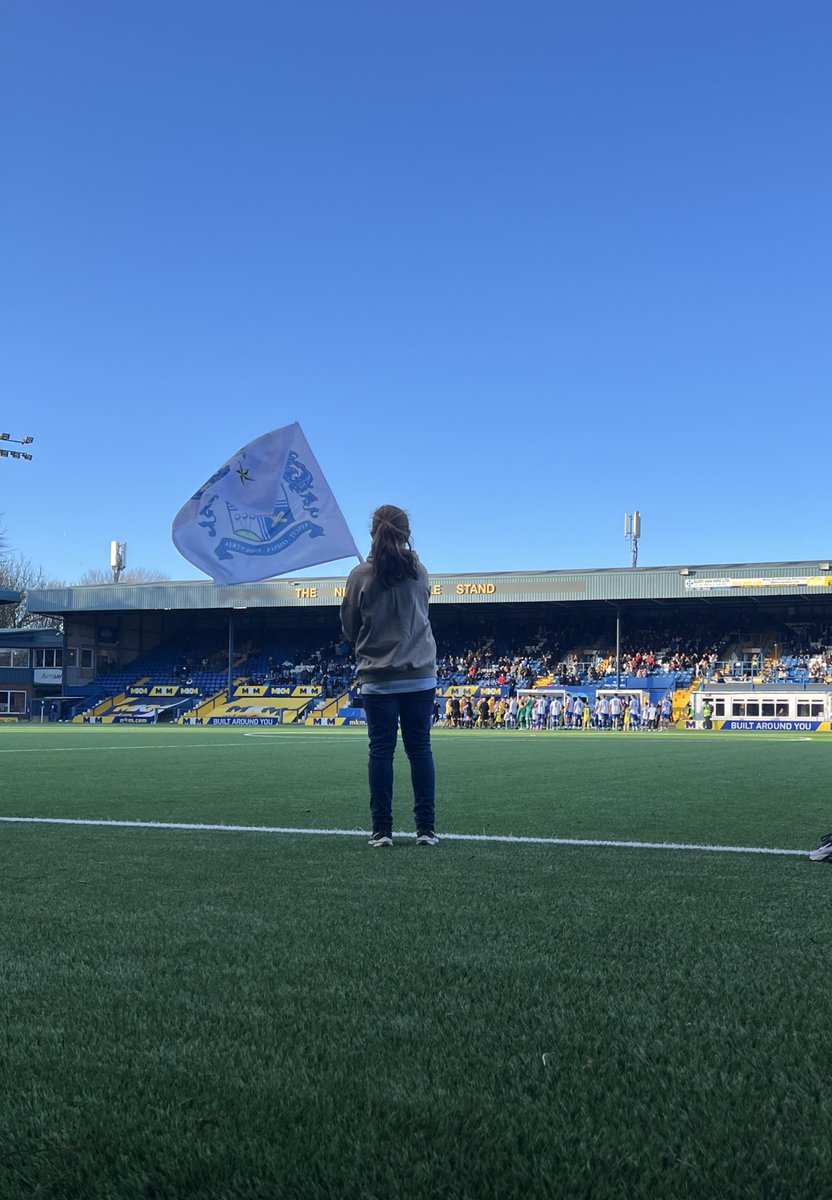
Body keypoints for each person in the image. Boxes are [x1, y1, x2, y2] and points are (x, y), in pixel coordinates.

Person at [340, 505, 438, 849]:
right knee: (419, 750)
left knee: (381, 751)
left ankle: (382, 831)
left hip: (378, 677)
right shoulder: (420, 573)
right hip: (420, 674)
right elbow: (422, 613)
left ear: (372, 533)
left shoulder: (359, 576)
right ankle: (426, 828)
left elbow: (350, 628)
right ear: (407, 533)